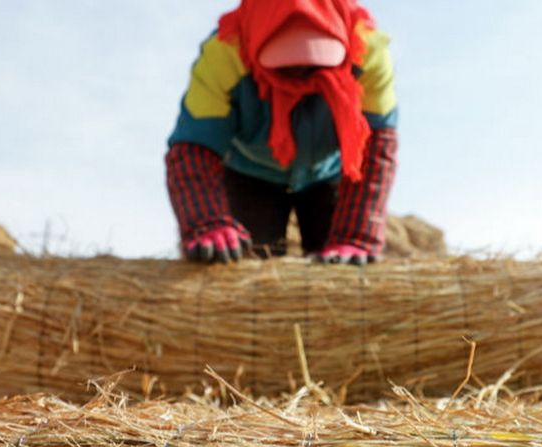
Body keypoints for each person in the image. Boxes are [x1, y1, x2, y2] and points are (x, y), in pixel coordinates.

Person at [166, 0, 398, 265]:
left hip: (330, 171)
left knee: (343, 274)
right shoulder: (224, 51)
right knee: (244, 269)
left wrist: (356, 235)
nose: (300, 75)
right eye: (286, 64)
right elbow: (194, 146)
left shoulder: (367, 50)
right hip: (249, 172)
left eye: (314, 62)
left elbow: (377, 145)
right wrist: (206, 219)